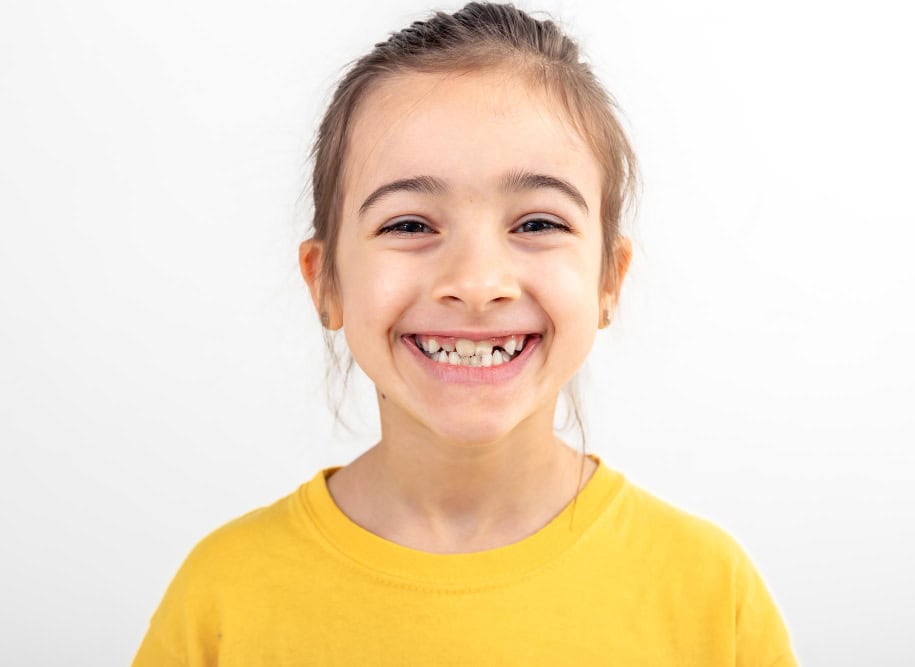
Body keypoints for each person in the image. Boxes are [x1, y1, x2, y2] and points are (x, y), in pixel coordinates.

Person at [133, 2, 798, 664]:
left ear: (609, 281)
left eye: (537, 224)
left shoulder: (712, 594)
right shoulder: (222, 595)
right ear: (325, 282)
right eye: (410, 224)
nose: (477, 282)